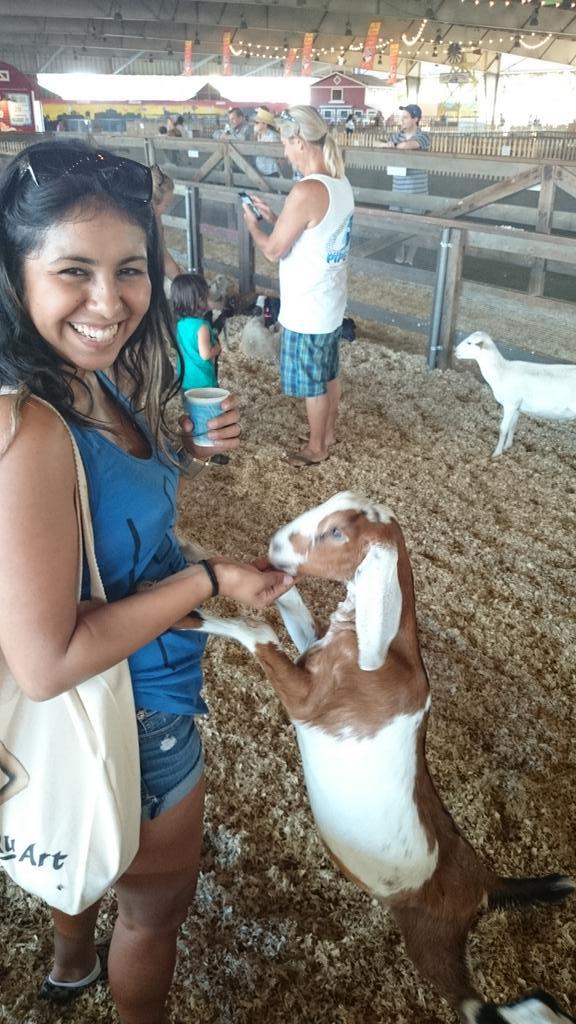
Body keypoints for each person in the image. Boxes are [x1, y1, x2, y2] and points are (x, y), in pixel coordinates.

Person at [0, 140, 294, 1024]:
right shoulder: (31, 426)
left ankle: (68, 958)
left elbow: (104, 521)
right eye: (74, 271)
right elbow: (48, 662)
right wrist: (207, 579)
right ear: (15, 274)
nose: (109, 301)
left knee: (86, 817)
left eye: (130, 269)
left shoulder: (82, 377)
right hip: (131, 697)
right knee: (155, 910)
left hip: (109, 698)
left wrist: (188, 455)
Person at [241, 106, 354, 468]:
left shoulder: (306, 189)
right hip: (330, 301)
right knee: (329, 371)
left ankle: (316, 447)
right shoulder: (340, 183)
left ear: (299, 141)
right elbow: (312, 234)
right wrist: (276, 219)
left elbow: (274, 250)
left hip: (307, 306)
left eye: (286, 145)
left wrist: (253, 227)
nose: (284, 153)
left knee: (312, 383)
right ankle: (330, 433)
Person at [377, 103, 431, 267]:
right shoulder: (396, 135)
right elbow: (378, 143)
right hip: (398, 185)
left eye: (406, 117)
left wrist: (393, 145)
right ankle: (400, 252)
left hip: (416, 187)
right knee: (397, 222)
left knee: (414, 223)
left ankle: (411, 254)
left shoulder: (423, 136)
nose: (402, 120)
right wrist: (386, 144)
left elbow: (409, 145)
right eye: (402, 117)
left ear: (416, 119)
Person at [170, 273, 220, 389]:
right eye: (205, 297)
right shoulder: (202, 327)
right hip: (203, 382)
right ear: (199, 300)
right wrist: (217, 348)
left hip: (185, 381)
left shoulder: (180, 324)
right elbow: (205, 354)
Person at [151, 164, 184, 284]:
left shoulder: (156, 218)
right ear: (153, 203)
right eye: (166, 205)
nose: (167, 209)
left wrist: (182, 281)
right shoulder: (134, 226)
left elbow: (162, 254)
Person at [252, 107, 280, 179]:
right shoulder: (258, 135)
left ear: (265, 124)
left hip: (271, 171)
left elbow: (277, 154)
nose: (254, 124)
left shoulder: (272, 136)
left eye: (257, 122)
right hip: (260, 170)